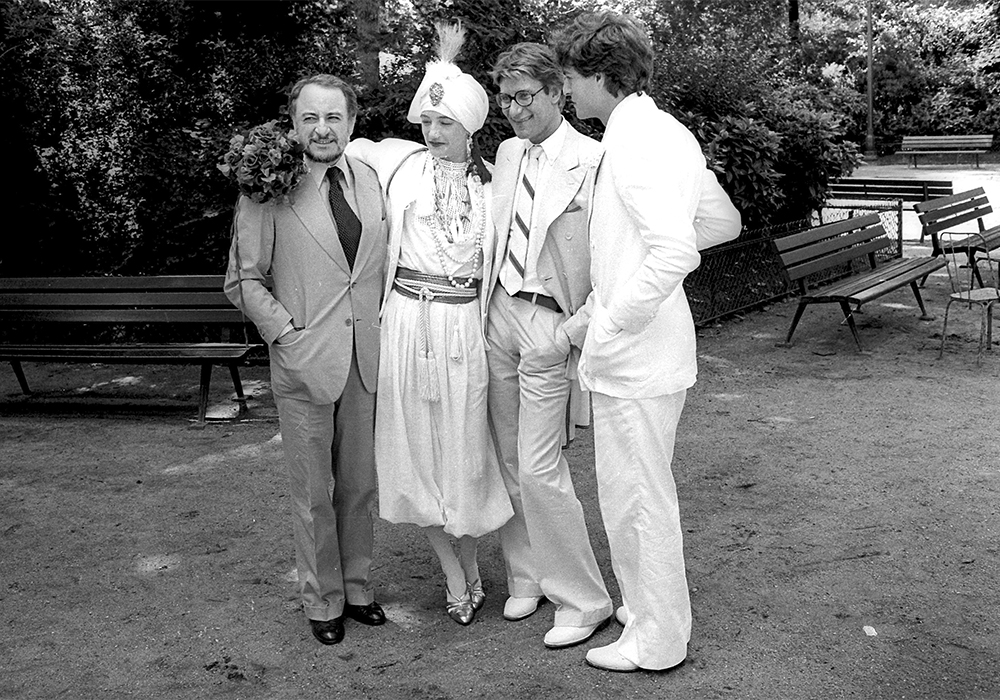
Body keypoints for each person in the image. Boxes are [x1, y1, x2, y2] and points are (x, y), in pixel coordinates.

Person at [551, 12, 742, 672]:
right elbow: (720, 220)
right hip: (645, 355)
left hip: (637, 359)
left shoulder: (637, 143)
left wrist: (610, 321)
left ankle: (657, 640)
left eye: (572, 77)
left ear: (602, 75)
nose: (567, 90)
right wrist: (614, 299)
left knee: (637, 500)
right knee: (631, 495)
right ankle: (644, 610)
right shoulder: (660, 133)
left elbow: (674, 251)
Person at [347, 22, 513, 626]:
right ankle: (455, 571)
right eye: (427, 121)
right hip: (407, 328)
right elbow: (339, 145)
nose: (434, 132)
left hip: (465, 327)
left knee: (464, 453)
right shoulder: (398, 165)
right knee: (415, 453)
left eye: (446, 123)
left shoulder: (497, 182)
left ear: (471, 127)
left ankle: (470, 564)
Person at [223, 74, 389, 646]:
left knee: (362, 485)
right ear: (293, 124)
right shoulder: (269, 188)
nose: (323, 129)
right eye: (311, 118)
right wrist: (286, 337)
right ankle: (322, 600)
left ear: (351, 122)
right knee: (313, 491)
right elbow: (243, 280)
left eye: (334, 117)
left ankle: (359, 586)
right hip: (303, 363)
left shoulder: (369, 179)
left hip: (366, 359)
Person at [485, 42, 612, 649]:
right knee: (509, 461)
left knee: (540, 466)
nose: (513, 110)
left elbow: (614, 265)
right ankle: (527, 574)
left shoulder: (595, 161)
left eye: (525, 97)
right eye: (505, 98)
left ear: (559, 92)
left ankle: (584, 599)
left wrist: (571, 332)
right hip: (498, 313)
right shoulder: (508, 154)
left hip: (549, 322)